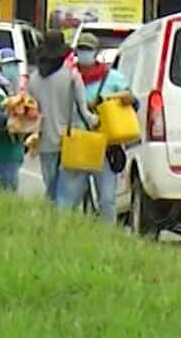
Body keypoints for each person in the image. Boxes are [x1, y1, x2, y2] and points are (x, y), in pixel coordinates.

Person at [26, 32, 93, 209]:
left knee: (50, 188)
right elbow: (84, 111)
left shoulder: (33, 80)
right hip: (69, 139)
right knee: (67, 192)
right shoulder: (72, 75)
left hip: (44, 140)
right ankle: (62, 226)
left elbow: (30, 111)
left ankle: (50, 224)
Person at [74, 33, 132, 223]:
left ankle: (107, 238)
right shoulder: (69, 78)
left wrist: (123, 98)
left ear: (96, 52)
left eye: (88, 49)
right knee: (74, 199)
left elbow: (133, 102)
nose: (84, 53)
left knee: (107, 199)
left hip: (106, 145)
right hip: (78, 142)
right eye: (81, 49)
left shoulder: (113, 78)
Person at [0, 48, 30, 193]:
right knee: (3, 195)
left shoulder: (14, 92)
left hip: (13, 153)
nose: (13, 70)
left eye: (15, 65)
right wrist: (17, 120)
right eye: (8, 66)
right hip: (0, 153)